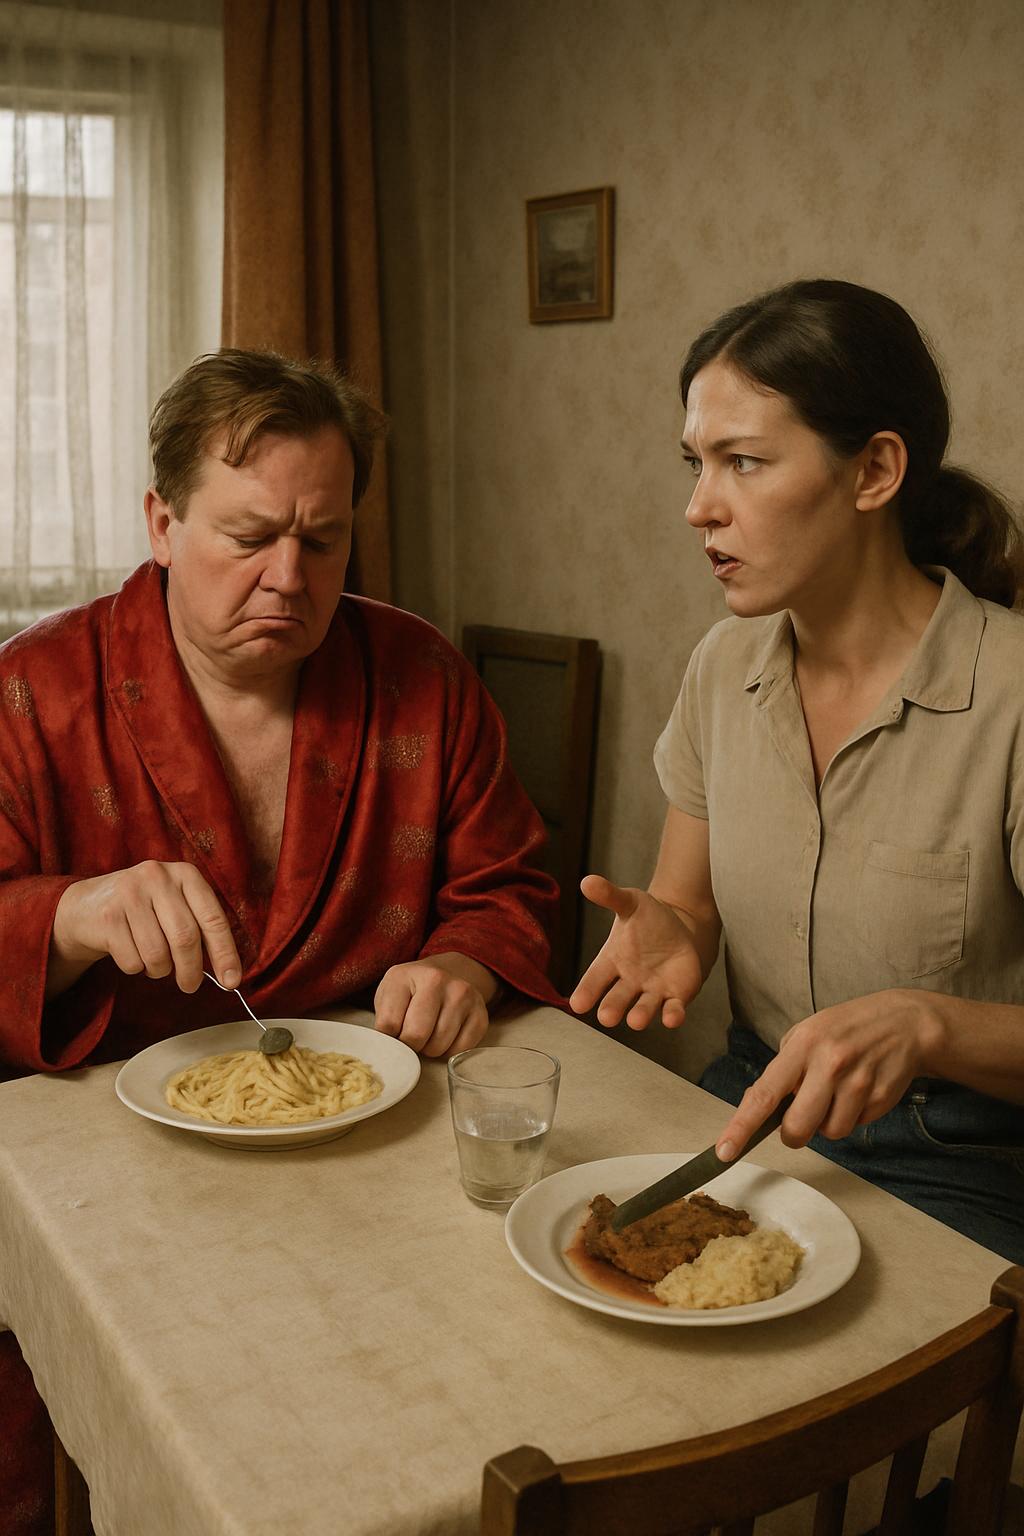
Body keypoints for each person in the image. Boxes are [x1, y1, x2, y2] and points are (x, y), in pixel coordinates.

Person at [0, 348, 561, 1534]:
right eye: (248, 537)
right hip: (116, 1192)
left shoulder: (420, 676)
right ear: (161, 523)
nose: (289, 578)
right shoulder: (30, 694)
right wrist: (69, 916)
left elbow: (509, 882)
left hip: (379, 1167)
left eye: (323, 540)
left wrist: (462, 963)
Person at [572, 278, 1024, 1266]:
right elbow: (687, 906)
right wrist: (674, 929)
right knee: (579, 1265)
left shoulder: (1013, 694)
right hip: (758, 1102)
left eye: (742, 462)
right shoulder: (721, 668)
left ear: (875, 470)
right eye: (696, 463)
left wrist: (930, 1025)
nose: (699, 507)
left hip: (965, 1152)